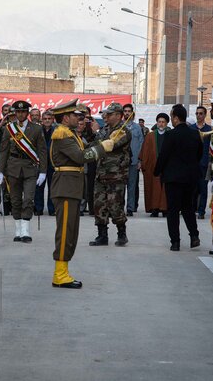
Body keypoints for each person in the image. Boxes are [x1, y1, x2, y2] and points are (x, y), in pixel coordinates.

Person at [49, 99, 115, 289]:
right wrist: (103, 148)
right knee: (65, 232)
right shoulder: (62, 135)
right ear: (65, 117)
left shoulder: (70, 135)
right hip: (66, 187)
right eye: (75, 116)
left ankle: (62, 271)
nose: (78, 119)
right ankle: (59, 275)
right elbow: (80, 157)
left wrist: (100, 141)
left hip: (71, 187)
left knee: (71, 231)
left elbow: (84, 150)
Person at [0, 100, 48, 242]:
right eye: (18, 112)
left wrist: (43, 171)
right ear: (15, 113)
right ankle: (18, 230)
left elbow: (42, 151)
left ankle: (26, 230)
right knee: (15, 200)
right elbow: (4, 151)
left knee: (28, 199)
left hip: (30, 167)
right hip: (13, 167)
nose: (20, 114)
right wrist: (0, 171)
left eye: (23, 112)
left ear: (27, 113)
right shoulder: (9, 128)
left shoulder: (36, 129)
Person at [154, 104, 203, 251]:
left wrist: (157, 171)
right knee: (188, 207)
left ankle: (175, 242)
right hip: (190, 177)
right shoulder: (195, 134)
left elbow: (163, 155)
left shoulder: (170, 135)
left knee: (173, 210)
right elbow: (199, 154)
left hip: (173, 178)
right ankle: (194, 235)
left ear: (175, 118)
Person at [89, 103, 132, 247]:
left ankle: (122, 234)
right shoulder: (104, 129)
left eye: (109, 114)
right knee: (99, 204)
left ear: (118, 115)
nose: (105, 116)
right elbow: (95, 147)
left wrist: (96, 133)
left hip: (116, 175)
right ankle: (102, 235)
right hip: (101, 173)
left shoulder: (123, 131)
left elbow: (110, 145)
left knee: (115, 205)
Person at [139, 113, 169, 217]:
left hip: (167, 165)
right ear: (156, 123)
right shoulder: (150, 135)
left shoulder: (170, 134)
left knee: (166, 188)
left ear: (167, 123)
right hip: (154, 164)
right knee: (154, 187)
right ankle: (155, 208)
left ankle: (165, 209)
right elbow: (145, 151)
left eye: (163, 122)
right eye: (159, 122)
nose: (161, 124)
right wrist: (143, 163)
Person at [190, 106, 212, 219]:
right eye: (197, 113)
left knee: (203, 188)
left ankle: (201, 211)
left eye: (201, 113)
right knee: (193, 188)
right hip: (193, 163)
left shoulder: (209, 129)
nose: (198, 115)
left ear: (205, 115)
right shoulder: (192, 129)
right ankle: (192, 209)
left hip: (204, 163)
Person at [122, 103, 143, 217]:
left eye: (129, 111)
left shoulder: (137, 128)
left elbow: (141, 144)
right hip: (120, 162)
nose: (127, 113)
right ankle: (120, 207)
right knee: (120, 186)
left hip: (133, 161)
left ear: (132, 113)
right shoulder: (119, 126)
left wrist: (140, 160)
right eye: (125, 111)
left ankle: (130, 208)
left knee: (132, 186)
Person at [35, 110, 56, 216]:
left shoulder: (57, 131)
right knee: (39, 186)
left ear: (53, 120)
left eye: (49, 119)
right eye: (45, 119)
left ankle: (52, 209)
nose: (47, 121)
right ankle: (38, 208)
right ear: (41, 120)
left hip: (52, 163)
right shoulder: (37, 130)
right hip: (40, 163)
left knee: (52, 187)